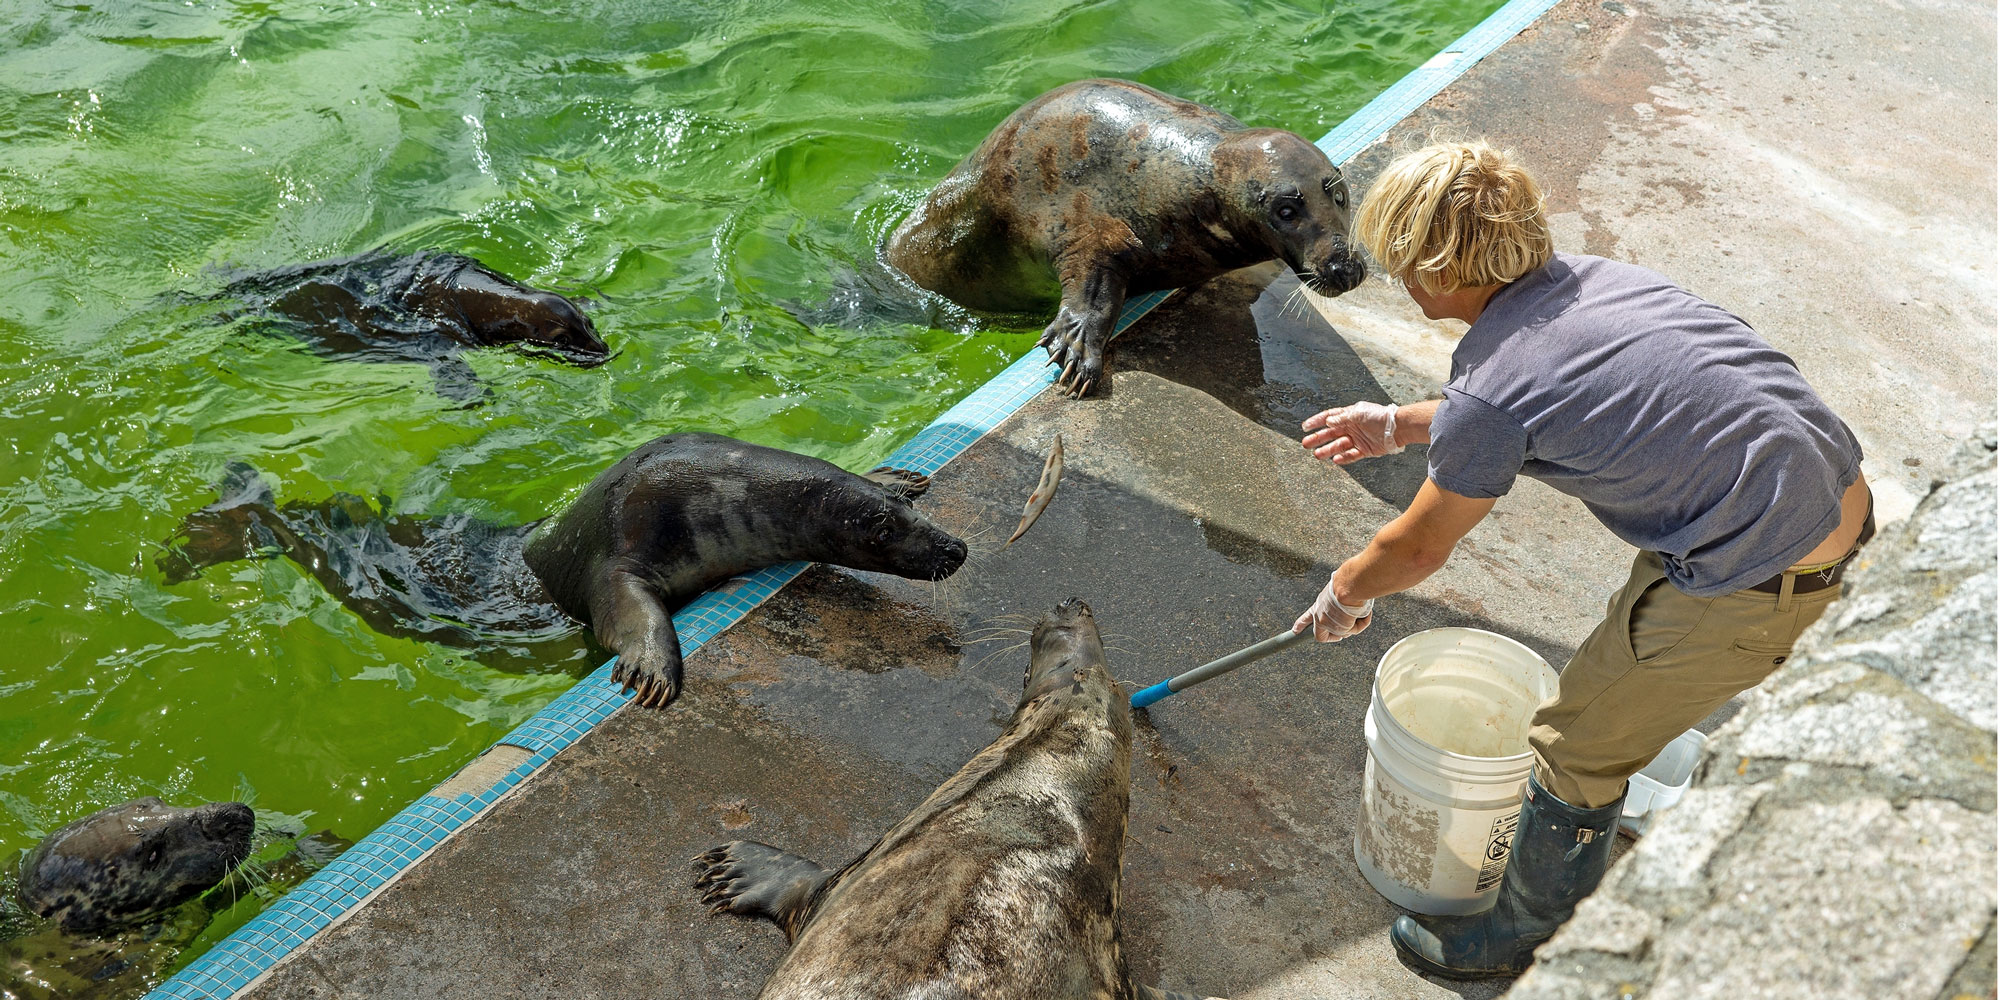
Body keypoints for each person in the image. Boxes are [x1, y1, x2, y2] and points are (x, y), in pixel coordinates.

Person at [1290, 141, 1873, 979]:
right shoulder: (1596, 281)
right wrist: (1399, 423)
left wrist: (1345, 592)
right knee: (1622, 670)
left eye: (1399, 262)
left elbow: (1417, 543)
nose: (1396, 277)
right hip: (1827, 501)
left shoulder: (1490, 391)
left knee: (1574, 742)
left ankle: (1525, 935)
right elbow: (1525, 401)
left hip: (1762, 575)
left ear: (1439, 267)